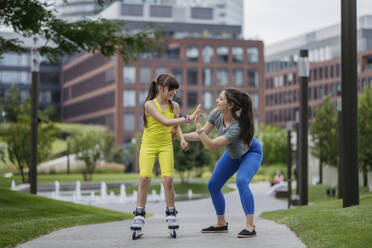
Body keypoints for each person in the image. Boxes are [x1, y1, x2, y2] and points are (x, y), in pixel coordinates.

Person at [183, 88, 263, 238]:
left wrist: (198, 126)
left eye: (220, 98)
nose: (216, 101)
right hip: (233, 154)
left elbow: (209, 144)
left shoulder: (237, 127)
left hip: (251, 153)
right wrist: (179, 136)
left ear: (230, 104)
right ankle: (221, 223)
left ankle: (250, 226)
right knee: (213, 185)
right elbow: (202, 136)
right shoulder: (216, 114)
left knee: (241, 181)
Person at [130, 73, 200, 240]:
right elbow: (166, 122)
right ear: (160, 88)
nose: (173, 93)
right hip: (148, 145)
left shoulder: (174, 106)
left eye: (175, 90)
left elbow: (175, 127)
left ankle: (171, 213)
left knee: (168, 180)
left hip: (165, 145)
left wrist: (182, 139)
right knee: (144, 179)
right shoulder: (149, 104)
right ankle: (139, 214)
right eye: (171, 89)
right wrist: (189, 117)